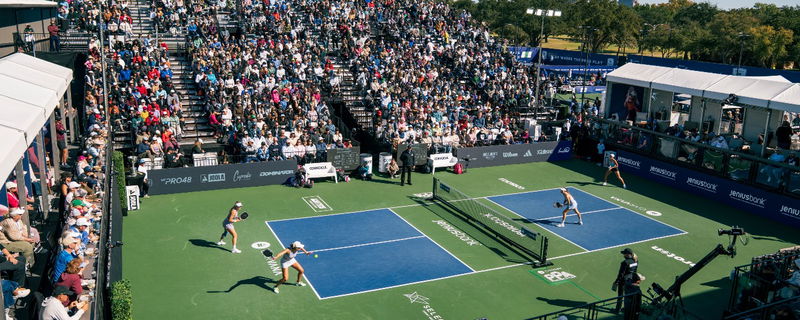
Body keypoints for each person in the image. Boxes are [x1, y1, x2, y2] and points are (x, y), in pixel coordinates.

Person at [613, 248, 639, 313]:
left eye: (624, 254)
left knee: (620, 296)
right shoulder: (636, 261)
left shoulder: (624, 263)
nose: (623, 255)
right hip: (631, 281)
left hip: (623, 282)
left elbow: (621, 274)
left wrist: (616, 282)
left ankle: (617, 310)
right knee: (628, 296)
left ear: (628, 255)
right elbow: (635, 271)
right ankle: (626, 309)